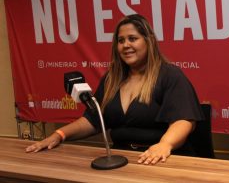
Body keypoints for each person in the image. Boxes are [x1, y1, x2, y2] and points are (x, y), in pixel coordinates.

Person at [26, 14, 204, 165]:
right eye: (121, 41)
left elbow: (184, 120)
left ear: (148, 42)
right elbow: (94, 120)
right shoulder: (112, 78)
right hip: (123, 159)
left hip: (162, 160)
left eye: (132, 38)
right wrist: (59, 134)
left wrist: (165, 144)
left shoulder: (170, 75)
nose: (126, 45)